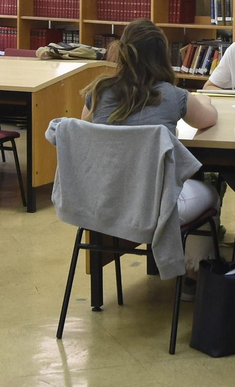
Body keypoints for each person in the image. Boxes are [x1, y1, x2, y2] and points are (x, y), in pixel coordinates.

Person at [81, 18, 221, 291]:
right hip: (155, 207)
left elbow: (83, 134)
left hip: (104, 202)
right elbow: (208, 120)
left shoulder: (98, 92)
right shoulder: (173, 96)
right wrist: (206, 99)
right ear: (162, 57)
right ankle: (193, 277)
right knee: (211, 187)